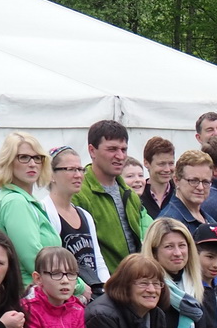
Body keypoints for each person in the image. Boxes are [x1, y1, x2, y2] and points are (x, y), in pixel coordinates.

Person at [71, 121, 152, 271]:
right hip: (100, 288)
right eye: (112, 149)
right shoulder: (78, 194)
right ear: (92, 150)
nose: (120, 156)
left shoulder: (129, 194)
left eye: (124, 149)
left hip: (134, 281)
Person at [40, 146, 109, 291]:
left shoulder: (85, 215)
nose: (78, 175)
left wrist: (106, 289)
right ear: (51, 175)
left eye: (80, 169)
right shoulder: (44, 211)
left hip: (93, 293)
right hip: (68, 294)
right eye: (71, 169)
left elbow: (98, 260)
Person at [145, 216, 212, 328]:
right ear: (154, 252)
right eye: (169, 247)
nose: (177, 253)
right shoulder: (148, 291)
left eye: (182, 245)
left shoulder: (192, 286)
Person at [0, 132, 60, 272]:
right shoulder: (16, 201)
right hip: (30, 289)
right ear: (8, 161)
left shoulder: (21, 199)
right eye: (24, 157)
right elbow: (33, 259)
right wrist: (77, 285)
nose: (32, 164)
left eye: (37, 158)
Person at [141, 136, 177, 218]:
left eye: (171, 163)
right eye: (161, 164)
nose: (167, 169)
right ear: (146, 163)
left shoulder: (180, 195)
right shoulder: (138, 195)